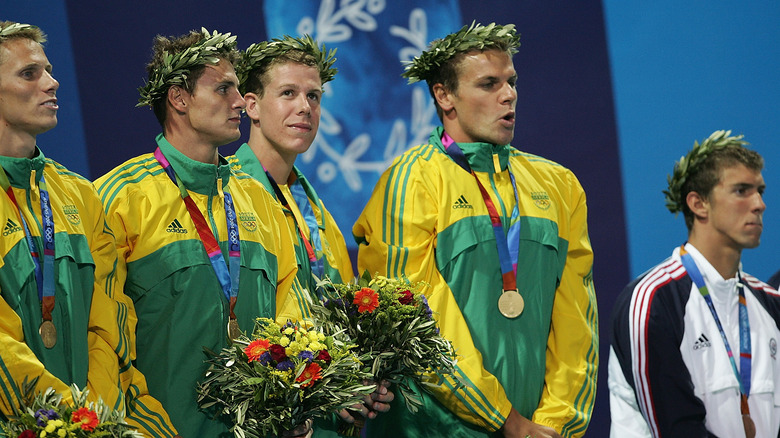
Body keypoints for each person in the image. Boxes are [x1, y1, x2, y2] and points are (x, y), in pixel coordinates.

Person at [353, 22, 597, 438]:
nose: (509, 95)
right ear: (444, 96)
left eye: (511, 82)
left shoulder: (559, 185)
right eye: (489, 84)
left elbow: (577, 320)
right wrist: (505, 420)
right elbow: (415, 323)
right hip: (435, 429)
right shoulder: (411, 181)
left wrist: (555, 424)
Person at [94, 29, 309, 437]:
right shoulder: (119, 197)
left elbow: (291, 311)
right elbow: (103, 337)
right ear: (179, 98)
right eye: (224, 88)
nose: (239, 102)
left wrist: (292, 398)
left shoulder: (259, 198)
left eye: (239, 88)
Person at [0, 20, 177, 436]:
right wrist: (64, 415)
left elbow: (109, 315)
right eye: (30, 73)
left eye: (48, 69)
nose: (52, 82)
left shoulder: (77, 193)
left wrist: (93, 413)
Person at [228, 34, 393, 436]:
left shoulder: (314, 208)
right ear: (251, 105)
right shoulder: (228, 198)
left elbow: (338, 314)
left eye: (314, 96)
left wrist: (360, 379)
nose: (305, 107)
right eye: (288, 93)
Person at [609, 130, 780, 438]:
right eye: (741, 191)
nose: (759, 204)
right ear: (699, 204)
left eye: (760, 191)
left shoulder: (771, 304)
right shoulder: (651, 301)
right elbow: (676, 429)